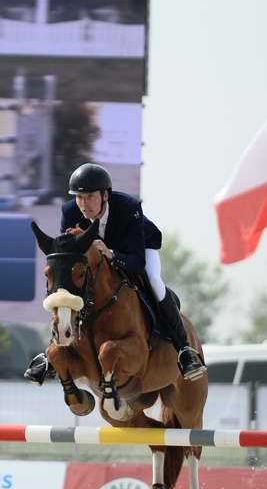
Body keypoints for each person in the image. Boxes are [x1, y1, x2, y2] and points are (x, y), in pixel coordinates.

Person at [24, 163, 207, 384]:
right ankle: (51, 352)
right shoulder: (69, 212)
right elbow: (68, 258)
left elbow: (138, 262)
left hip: (135, 250)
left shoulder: (130, 208)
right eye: (80, 197)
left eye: (90, 196)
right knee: (68, 287)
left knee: (154, 282)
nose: (84, 204)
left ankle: (184, 351)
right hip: (97, 258)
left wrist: (112, 255)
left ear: (105, 195)